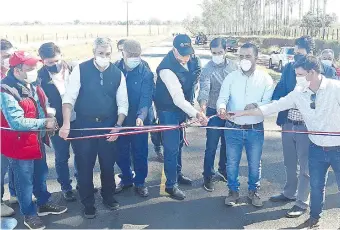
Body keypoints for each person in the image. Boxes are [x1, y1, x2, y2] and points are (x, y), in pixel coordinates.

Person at [230, 55, 340, 228]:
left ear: (312, 72)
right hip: (316, 148)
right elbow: (274, 106)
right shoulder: (298, 93)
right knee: (317, 186)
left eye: (300, 74)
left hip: (338, 148)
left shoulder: (335, 88)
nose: (297, 78)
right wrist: (242, 113)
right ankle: (315, 217)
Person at [59, 37, 128, 219]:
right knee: (85, 167)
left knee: (107, 165)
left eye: (107, 54)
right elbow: (68, 99)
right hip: (84, 125)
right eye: (100, 53)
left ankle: (108, 196)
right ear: (94, 53)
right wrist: (66, 124)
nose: (104, 57)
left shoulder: (117, 73)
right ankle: (88, 203)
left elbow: (123, 104)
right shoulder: (81, 70)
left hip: (109, 126)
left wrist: (118, 127)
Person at [269, 36, 336, 218]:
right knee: (289, 162)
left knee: (306, 165)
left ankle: (301, 201)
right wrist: (269, 104)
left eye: (300, 52)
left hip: (309, 127)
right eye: (295, 52)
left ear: (310, 53)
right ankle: (289, 192)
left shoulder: (326, 70)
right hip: (288, 122)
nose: (296, 56)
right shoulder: (289, 68)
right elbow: (281, 89)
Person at [1, 51, 67, 229]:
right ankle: (29, 214)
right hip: (18, 143)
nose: (34, 71)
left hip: (35, 139)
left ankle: (43, 202)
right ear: (17, 70)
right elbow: (16, 121)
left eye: (35, 67)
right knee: (24, 181)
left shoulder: (32, 83)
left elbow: (42, 105)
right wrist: (44, 122)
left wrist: (50, 116)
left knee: (40, 174)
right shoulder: (6, 90)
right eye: (29, 68)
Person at [216, 43, 274, 207]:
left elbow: (268, 103)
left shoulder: (266, 79)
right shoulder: (231, 77)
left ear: (256, 57)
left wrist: (257, 105)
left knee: (254, 163)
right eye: (241, 56)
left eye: (248, 56)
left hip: (255, 130)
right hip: (232, 127)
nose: (244, 59)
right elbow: (223, 97)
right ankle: (233, 191)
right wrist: (221, 107)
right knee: (232, 162)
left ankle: (253, 191)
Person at [154, 34, 208, 200]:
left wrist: (195, 107)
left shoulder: (193, 60)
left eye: (188, 53)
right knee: (170, 148)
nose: (185, 57)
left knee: (178, 144)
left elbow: (194, 84)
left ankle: (177, 173)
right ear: (173, 50)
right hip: (168, 110)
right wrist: (196, 113)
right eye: (182, 53)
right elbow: (177, 98)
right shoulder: (166, 68)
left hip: (182, 110)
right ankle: (170, 185)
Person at [37, 42, 77, 202]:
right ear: (42, 61)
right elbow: (43, 102)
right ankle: (66, 187)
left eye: (56, 61)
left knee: (82, 154)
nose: (54, 65)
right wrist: (50, 117)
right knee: (62, 156)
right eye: (49, 63)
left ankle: (82, 182)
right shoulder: (40, 77)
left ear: (61, 55)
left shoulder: (74, 69)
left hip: (78, 119)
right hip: (57, 122)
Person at [114, 39, 154, 197]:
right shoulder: (114, 69)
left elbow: (146, 99)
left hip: (140, 120)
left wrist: (141, 116)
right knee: (121, 152)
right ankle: (126, 178)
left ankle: (140, 182)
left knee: (140, 152)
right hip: (120, 120)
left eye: (137, 55)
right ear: (123, 53)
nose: (134, 58)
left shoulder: (146, 72)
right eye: (130, 55)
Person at [198, 37, 238, 192]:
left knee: (227, 144)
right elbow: (204, 89)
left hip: (230, 113)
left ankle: (223, 170)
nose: (217, 55)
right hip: (213, 112)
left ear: (225, 50)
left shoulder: (234, 67)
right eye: (214, 52)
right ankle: (208, 176)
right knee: (211, 146)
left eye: (219, 52)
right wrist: (202, 106)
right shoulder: (207, 69)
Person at [0, 39, 17, 217]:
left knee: (14, 163)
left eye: (11, 55)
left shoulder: (12, 74)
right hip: (1, 129)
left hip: (12, 129)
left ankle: (15, 194)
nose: (9, 60)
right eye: (5, 56)